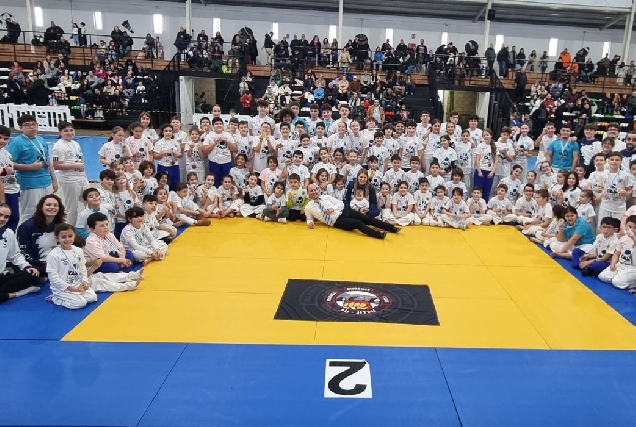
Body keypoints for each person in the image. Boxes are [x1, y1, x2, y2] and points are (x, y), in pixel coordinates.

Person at [7, 115, 58, 224]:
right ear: (21, 128)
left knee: (48, 211)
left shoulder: (41, 140)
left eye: (34, 124)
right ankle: (24, 234)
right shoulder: (16, 142)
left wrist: (54, 180)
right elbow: (9, 164)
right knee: (30, 213)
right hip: (29, 183)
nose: (32, 127)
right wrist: (30, 167)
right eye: (27, 125)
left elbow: (47, 160)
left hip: (46, 181)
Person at [304, 183, 400, 239]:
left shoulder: (326, 197)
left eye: (315, 190)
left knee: (368, 219)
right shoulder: (308, 207)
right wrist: (310, 223)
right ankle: (378, 235)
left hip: (345, 211)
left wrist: (333, 208)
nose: (314, 192)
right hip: (337, 221)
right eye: (311, 191)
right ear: (308, 193)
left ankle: (391, 228)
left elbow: (340, 203)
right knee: (358, 223)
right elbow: (309, 218)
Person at [46, 223, 97, 309]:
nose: (67, 239)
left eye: (70, 236)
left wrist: (85, 281)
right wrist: (69, 287)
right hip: (62, 288)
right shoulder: (53, 255)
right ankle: (56, 298)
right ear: (57, 238)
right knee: (80, 303)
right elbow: (53, 277)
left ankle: (75, 295)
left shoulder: (78, 251)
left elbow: (82, 268)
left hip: (77, 283)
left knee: (92, 297)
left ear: (74, 236)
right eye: (63, 237)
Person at [0, 203, 41, 304]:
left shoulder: (8, 233)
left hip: (1, 276)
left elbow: (15, 255)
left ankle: (4, 293)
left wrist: (26, 266)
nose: (2, 219)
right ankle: (16, 294)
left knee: (32, 275)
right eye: (0, 215)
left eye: (6, 217)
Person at [16, 194, 66, 276]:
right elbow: (22, 251)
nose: (52, 207)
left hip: (54, 262)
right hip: (34, 264)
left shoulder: (61, 226)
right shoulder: (26, 226)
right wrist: (40, 263)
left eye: (55, 205)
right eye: (48, 205)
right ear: (41, 208)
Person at [52, 121, 89, 225]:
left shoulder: (75, 143)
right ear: (60, 133)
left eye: (71, 130)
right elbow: (56, 165)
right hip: (69, 180)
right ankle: (70, 228)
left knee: (90, 201)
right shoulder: (58, 146)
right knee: (72, 207)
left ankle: (88, 225)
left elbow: (80, 158)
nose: (69, 133)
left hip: (81, 177)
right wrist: (75, 165)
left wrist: (81, 166)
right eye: (66, 131)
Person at [599, 214, 636, 290]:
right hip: (621, 264)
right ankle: (620, 276)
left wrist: (633, 238)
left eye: (635, 228)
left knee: (617, 283)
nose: (631, 230)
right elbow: (616, 253)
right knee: (603, 277)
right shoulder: (623, 238)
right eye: (629, 227)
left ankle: (633, 282)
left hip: (633, 267)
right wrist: (613, 263)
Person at [0, 125, 19, 230]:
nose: (2, 141)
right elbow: (5, 171)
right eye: (0, 137)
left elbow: (12, 171)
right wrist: (3, 171)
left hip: (13, 191)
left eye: (5, 138)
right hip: (3, 192)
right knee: (2, 220)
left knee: (14, 219)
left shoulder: (6, 153)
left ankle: (9, 238)